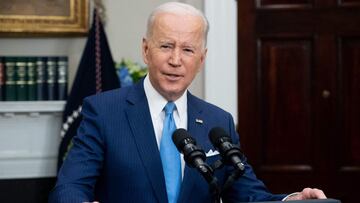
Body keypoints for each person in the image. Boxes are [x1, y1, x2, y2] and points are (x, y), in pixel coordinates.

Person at [49, 2, 327, 203]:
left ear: (201, 59)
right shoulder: (104, 111)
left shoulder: (219, 122)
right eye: (166, 46)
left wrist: (290, 201)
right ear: (146, 50)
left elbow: (247, 194)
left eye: (188, 49)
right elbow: (69, 188)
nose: (175, 60)